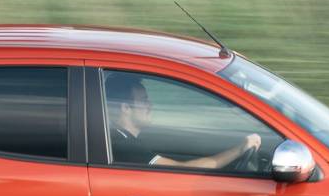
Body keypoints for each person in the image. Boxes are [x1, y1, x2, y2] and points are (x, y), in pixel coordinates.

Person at [106, 73, 261, 170]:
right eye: (144, 101)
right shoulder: (123, 145)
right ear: (125, 108)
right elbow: (184, 169)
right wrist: (241, 148)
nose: (150, 105)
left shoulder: (118, 137)